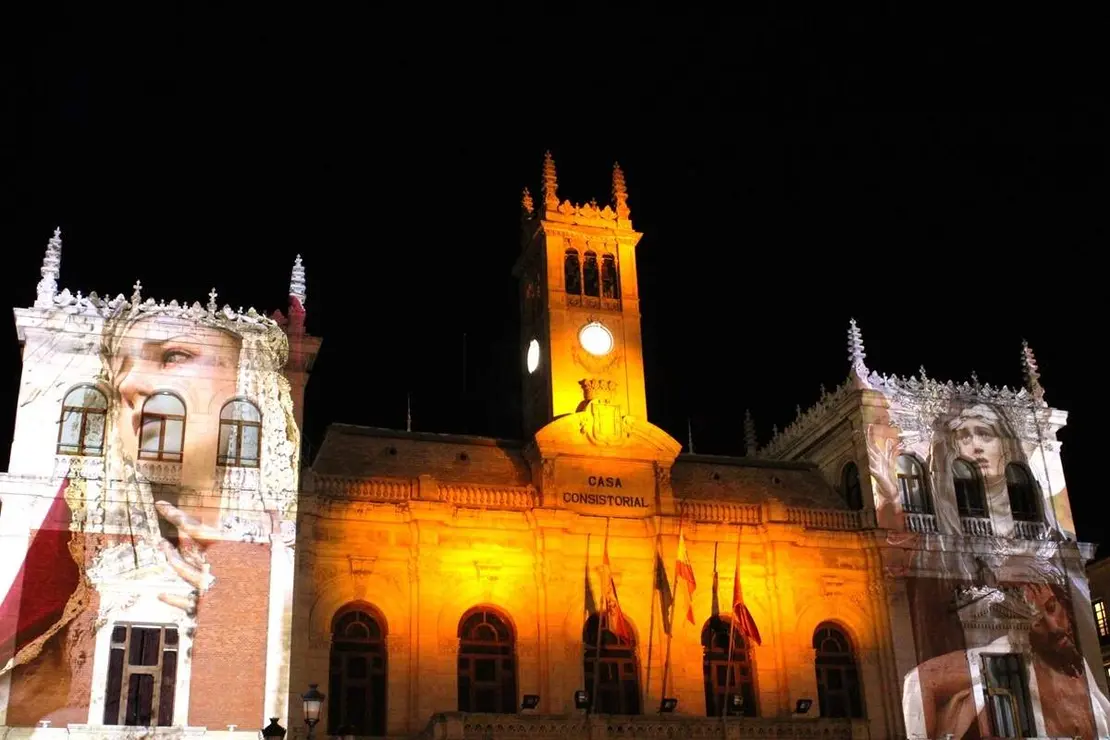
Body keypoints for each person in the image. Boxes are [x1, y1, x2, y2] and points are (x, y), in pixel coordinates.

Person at [1, 300, 298, 724]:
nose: (130, 382)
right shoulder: (64, 509)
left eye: (175, 355)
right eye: (118, 368)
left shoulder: (263, 515)